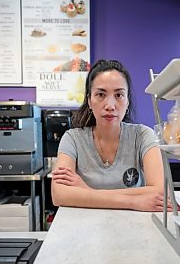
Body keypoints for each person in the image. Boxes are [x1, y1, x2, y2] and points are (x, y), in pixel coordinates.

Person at [51, 59, 169, 212]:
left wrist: (87, 192)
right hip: (83, 226)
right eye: (101, 94)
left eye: (119, 95)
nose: (110, 106)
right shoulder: (72, 139)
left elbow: (159, 190)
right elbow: (59, 194)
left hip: (132, 224)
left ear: (127, 102)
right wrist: (132, 201)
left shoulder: (143, 135)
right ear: (89, 101)